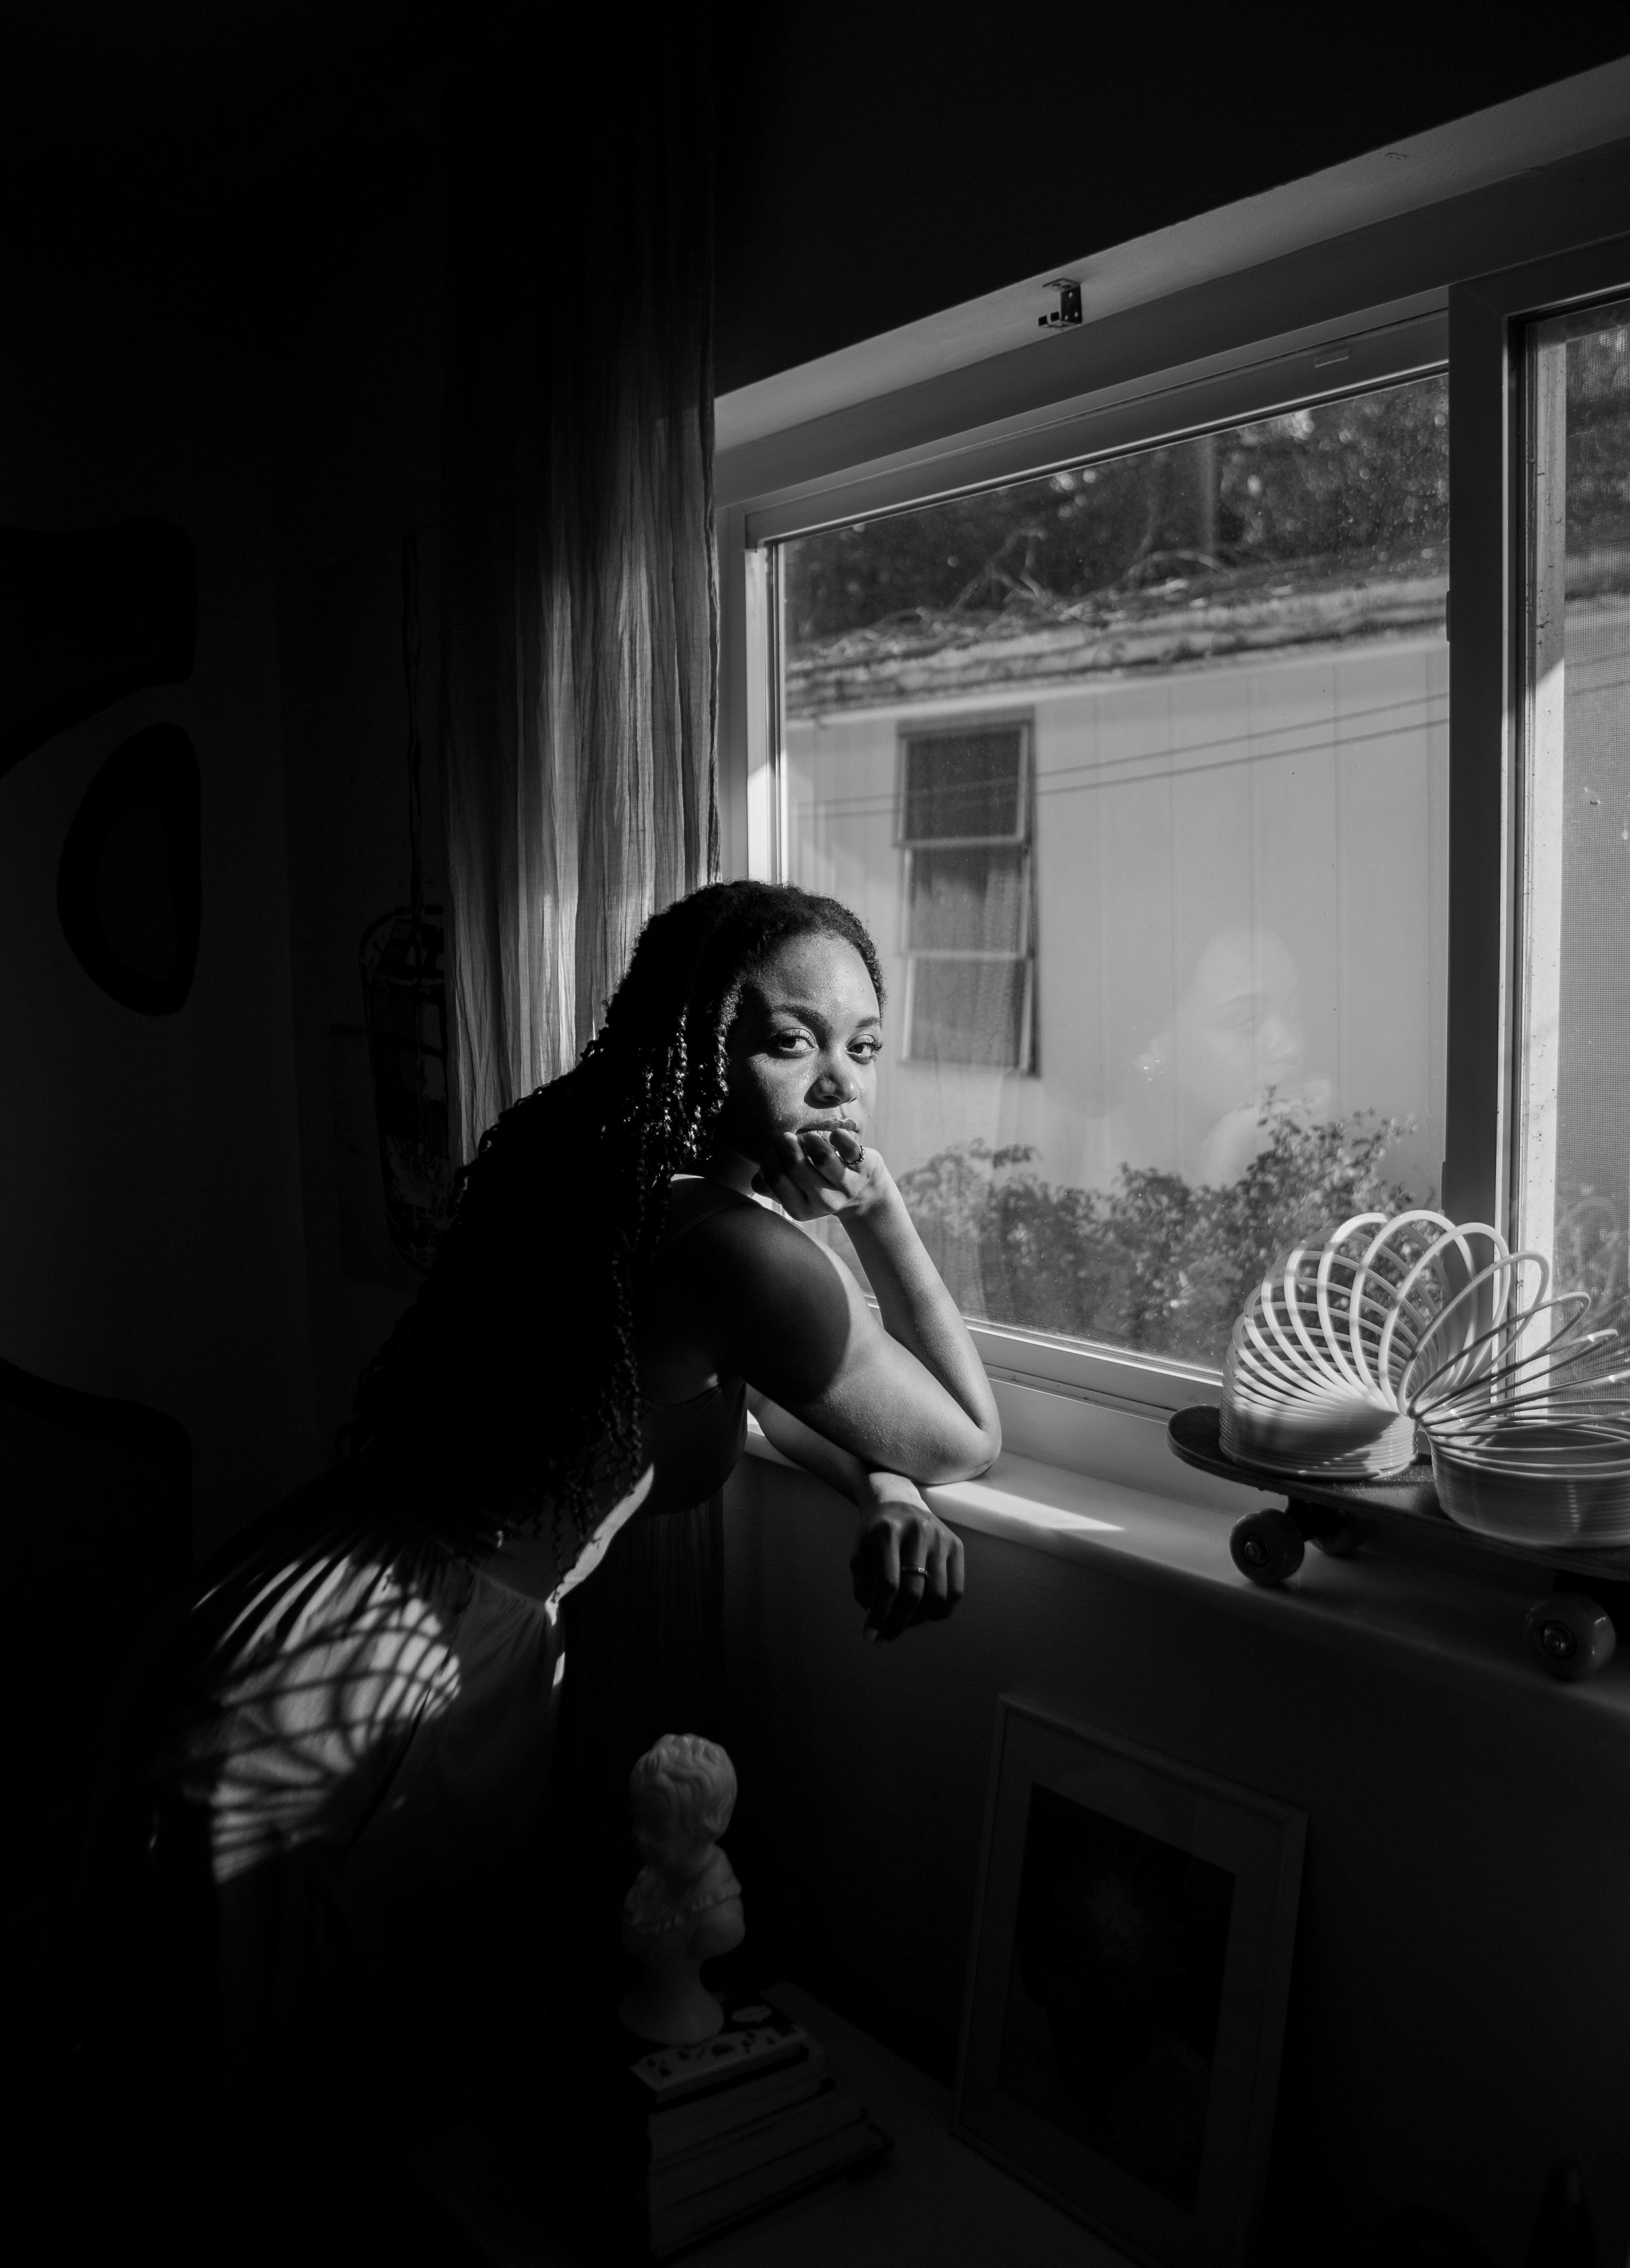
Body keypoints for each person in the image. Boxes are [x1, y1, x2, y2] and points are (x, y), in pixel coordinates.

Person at [22, 879, 998, 2262]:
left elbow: (750, 1393)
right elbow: (972, 1433)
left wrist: (879, 1477)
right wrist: (887, 1221)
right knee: (310, 2129)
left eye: (866, 1045)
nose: (839, 1083)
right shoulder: (740, 1249)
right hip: (387, 1685)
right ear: (695, 1049)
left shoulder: (578, 1168)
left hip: (286, 1599)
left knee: (200, 2103)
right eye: (789, 1041)